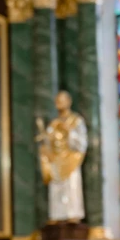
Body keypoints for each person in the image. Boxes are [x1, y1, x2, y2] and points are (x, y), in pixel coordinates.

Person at [37, 89, 88, 222]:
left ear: (69, 102)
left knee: (72, 186)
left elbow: (81, 142)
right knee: (56, 190)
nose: (59, 103)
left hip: (71, 159)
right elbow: (48, 141)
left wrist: (69, 131)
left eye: (62, 100)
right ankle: (57, 216)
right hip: (56, 160)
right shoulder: (53, 124)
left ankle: (73, 215)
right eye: (57, 101)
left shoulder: (76, 121)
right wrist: (45, 147)